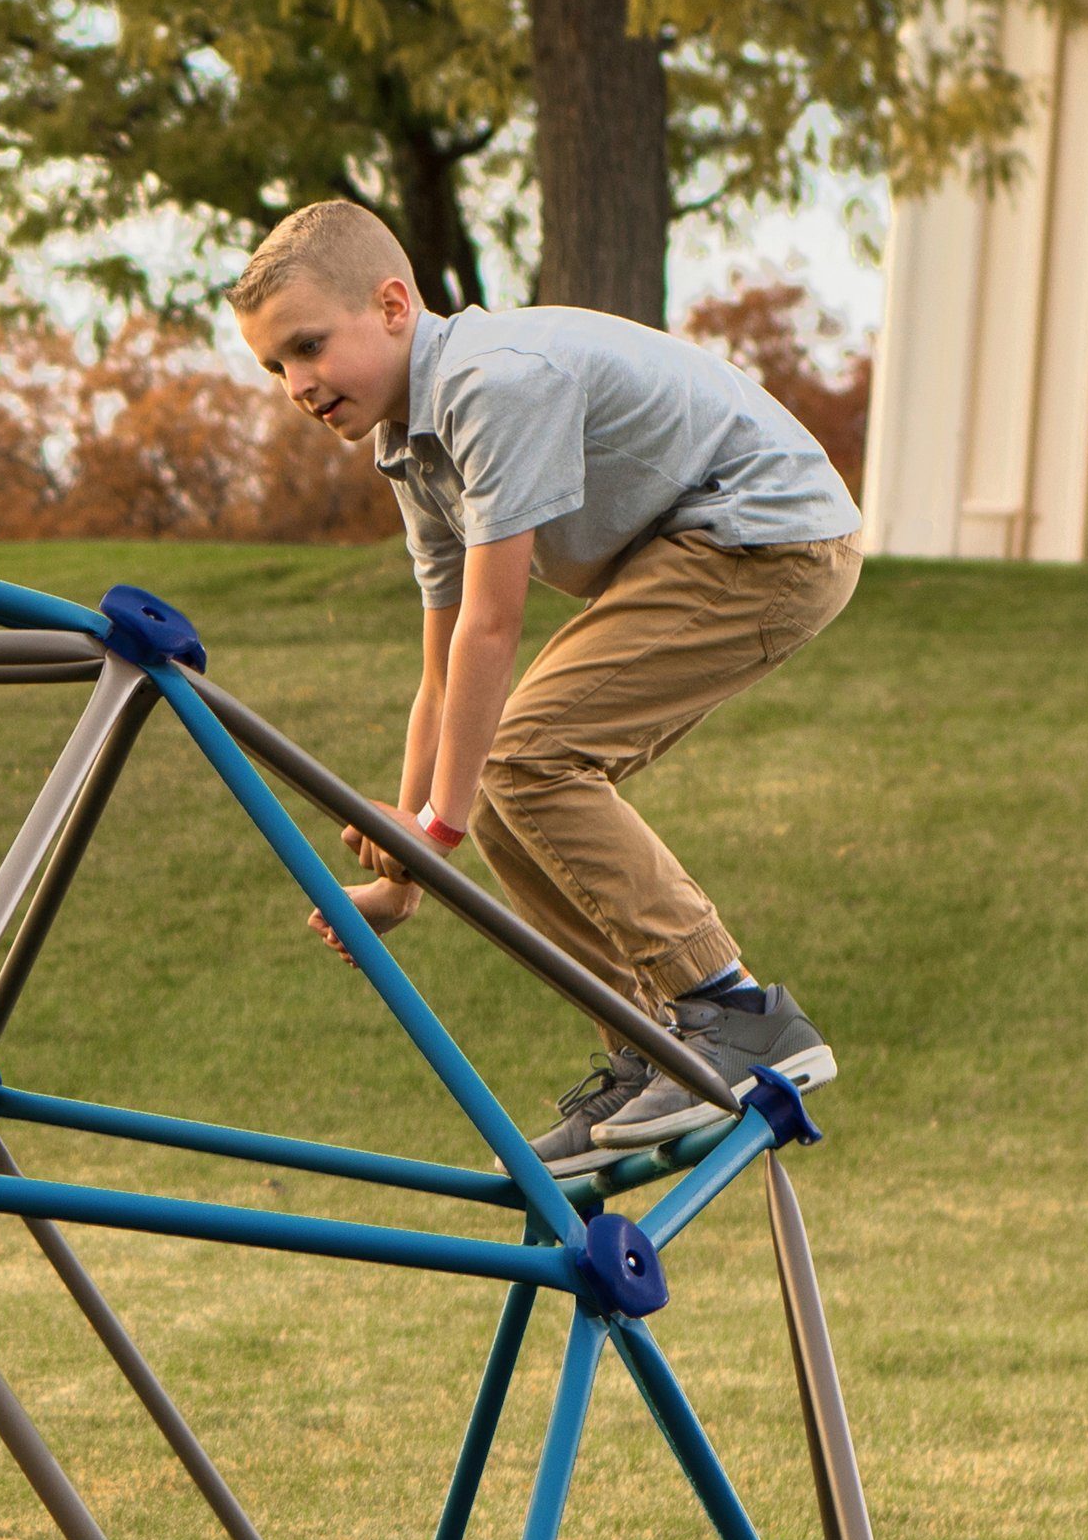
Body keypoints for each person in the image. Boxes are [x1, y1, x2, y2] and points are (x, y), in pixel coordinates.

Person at [229, 200, 864, 1175]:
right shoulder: (412, 447)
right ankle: (648, 1045)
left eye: (309, 346)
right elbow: (440, 669)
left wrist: (430, 831)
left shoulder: (491, 386)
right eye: (275, 366)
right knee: (494, 781)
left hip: (767, 534)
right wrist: (409, 868)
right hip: (695, 548)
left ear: (393, 305)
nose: (297, 384)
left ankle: (732, 1013)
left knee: (522, 758)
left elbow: (493, 624)